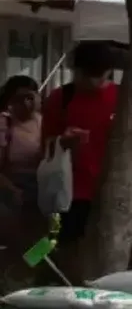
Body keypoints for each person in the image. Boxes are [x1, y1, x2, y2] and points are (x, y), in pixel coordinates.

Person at [40, 41, 120, 245]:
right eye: (86, 75)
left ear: (109, 72)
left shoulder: (121, 98)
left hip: (112, 191)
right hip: (69, 193)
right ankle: (35, 273)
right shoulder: (61, 98)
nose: (93, 82)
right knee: (58, 246)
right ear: (74, 70)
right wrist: (62, 142)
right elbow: (45, 147)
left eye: (99, 76)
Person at [1, 75, 43, 263]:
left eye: (31, 97)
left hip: (43, 190)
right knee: (18, 242)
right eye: (20, 99)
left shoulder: (44, 122)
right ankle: (15, 275)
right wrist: (12, 190)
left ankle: (35, 269)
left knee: (46, 240)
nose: (27, 104)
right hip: (13, 190)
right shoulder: (5, 123)